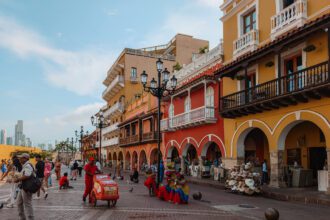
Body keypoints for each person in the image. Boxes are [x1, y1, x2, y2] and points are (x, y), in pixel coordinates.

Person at [14, 153, 35, 220]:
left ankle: (30, 218)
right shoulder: (25, 165)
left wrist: (18, 179)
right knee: (19, 203)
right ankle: (22, 218)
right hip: (23, 187)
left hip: (27, 187)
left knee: (27, 204)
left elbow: (27, 175)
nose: (19, 159)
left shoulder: (28, 165)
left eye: (21, 158)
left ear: (25, 158)